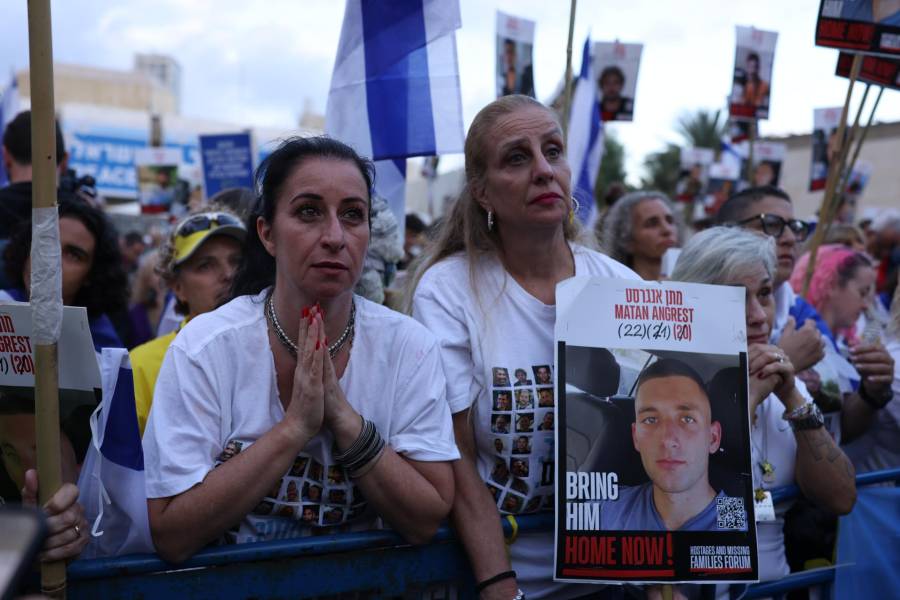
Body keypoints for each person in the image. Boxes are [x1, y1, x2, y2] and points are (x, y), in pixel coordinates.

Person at [142, 136, 458, 562]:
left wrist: (344, 420)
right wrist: (293, 429)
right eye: (309, 212)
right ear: (267, 234)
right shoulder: (205, 348)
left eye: (353, 214)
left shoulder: (409, 347)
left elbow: (426, 518)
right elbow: (171, 533)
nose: (335, 237)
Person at [409, 94, 638, 599]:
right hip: (502, 576)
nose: (543, 170)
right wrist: (500, 585)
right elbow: (456, 456)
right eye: (517, 158)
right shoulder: (449, 292)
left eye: (553, 151)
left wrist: (668, 577)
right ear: (482, 191)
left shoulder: (621, 286)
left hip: (614, 576)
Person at [671, 227, 857, 587]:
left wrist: (794, 399)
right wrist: (748, 396)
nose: (758, 315)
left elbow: (841, 497)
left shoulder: (782, 378)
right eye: (736, 299)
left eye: (765, 294)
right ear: (694, 304)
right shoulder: (667, 385)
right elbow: (696, 509)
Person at [130, 208, 246, 435]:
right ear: (177, 287)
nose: (229, 274)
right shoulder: (141, 366)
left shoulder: (278, 351)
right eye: (206, 265)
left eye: (238, 262)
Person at [600, 359, 743, 532]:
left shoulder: (739, 523)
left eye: (687, 419)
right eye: (650, 420)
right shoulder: (607, 508)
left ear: (713, 438)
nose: (668, 440)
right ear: (636, 437)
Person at [788, 245, 895, 443]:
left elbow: (841, 427)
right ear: (831, 284)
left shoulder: (843, 345)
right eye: (862, 292)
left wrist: (872, 391)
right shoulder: (793, 336)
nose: (866, 305)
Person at [716, 186, 825, 373]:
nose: (790, 238)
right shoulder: (695, 310)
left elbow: (841, 389)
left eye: (795, 227)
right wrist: (781, 362)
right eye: (772, 225)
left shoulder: (802, 314)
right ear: (729, 232)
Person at [2, 198, 129, 350]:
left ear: (91, 274)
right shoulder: (4, 303)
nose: (51, 261)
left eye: (73, 255)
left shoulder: (103, 350)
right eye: (45, 243)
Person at [600, 191, 680, 281]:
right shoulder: (610, 287)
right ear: (627, 240)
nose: (667, 230)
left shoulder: (692, 285)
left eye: (670, 220)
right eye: (652, 223)